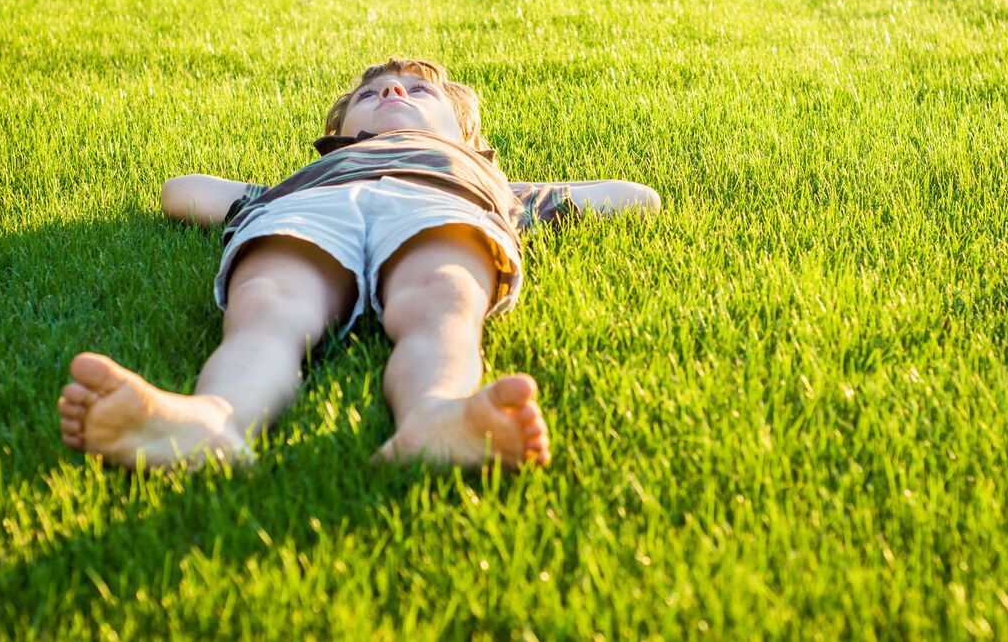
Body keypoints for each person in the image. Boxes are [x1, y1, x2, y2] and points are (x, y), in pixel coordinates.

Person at [58, 58, 659, 471]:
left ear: (471, 139)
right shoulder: (304, 178)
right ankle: (213, 419)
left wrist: (513, 192)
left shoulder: (486, 178)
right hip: (314, 209)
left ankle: (435, 414)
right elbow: (180, 189)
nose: (393, 93)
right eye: (370, 96)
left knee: (442, 299)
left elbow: (635, 198)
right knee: (268, 305)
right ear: (337, 137)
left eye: (419, 92)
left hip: (440, 201)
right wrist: (262, 199)